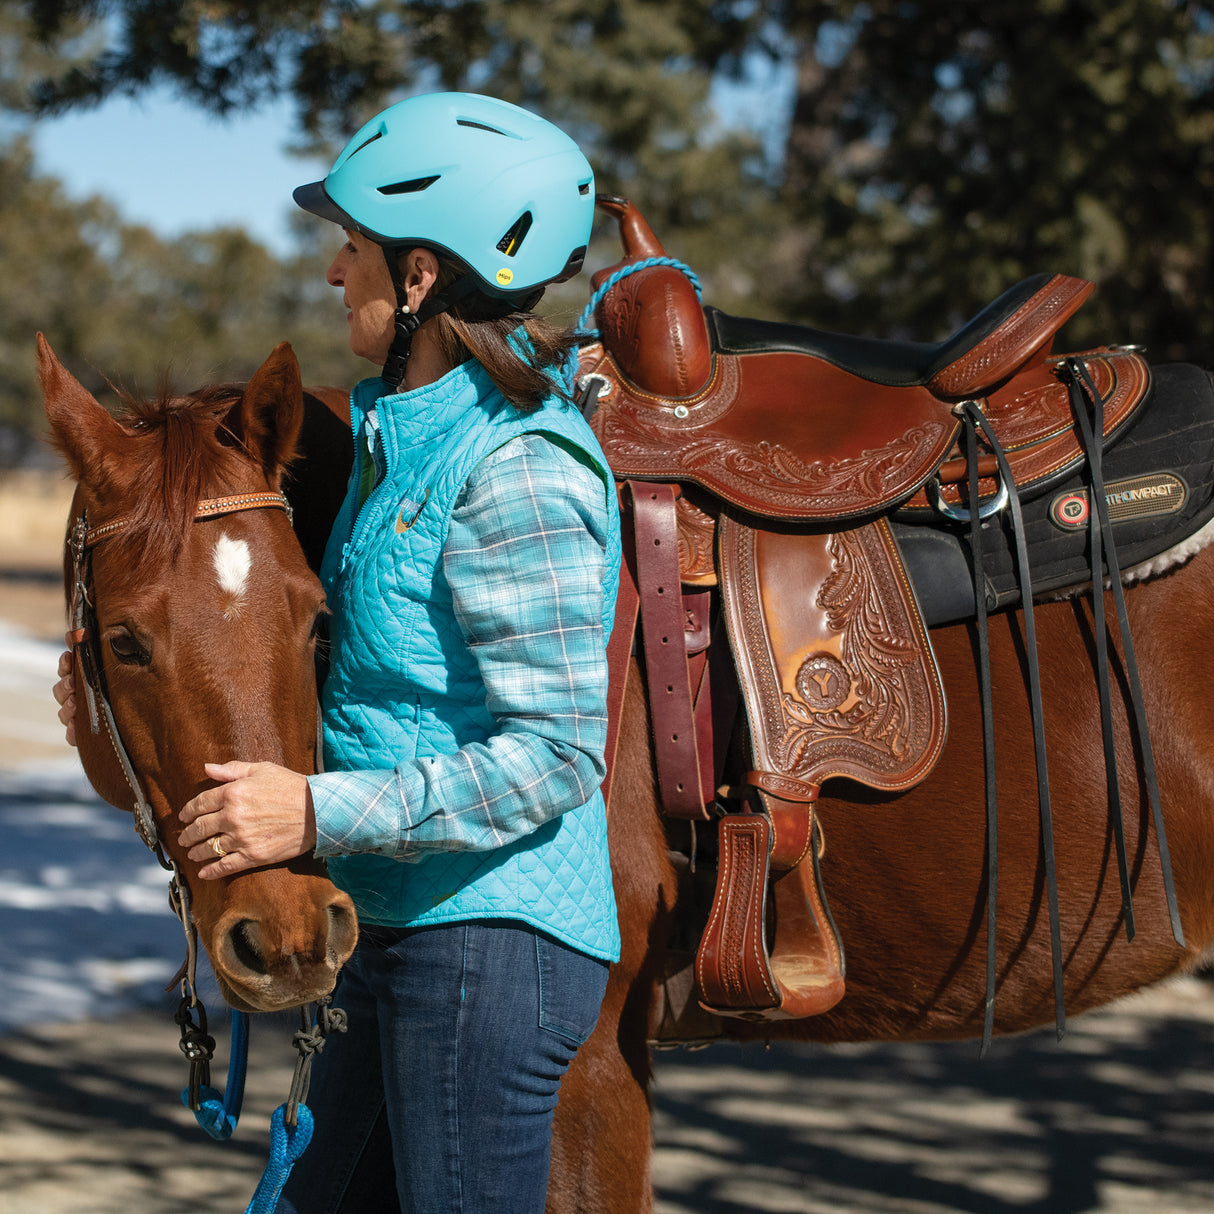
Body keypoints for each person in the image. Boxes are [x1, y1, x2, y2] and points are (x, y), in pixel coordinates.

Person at [55, 91, 620, 1213]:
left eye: (349, 247)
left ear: (417, 277)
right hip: (402, 924)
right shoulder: (392, 445)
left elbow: (558, 756)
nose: (331, 274)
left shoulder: (517, 469)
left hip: (489, 945)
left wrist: (311, 815)